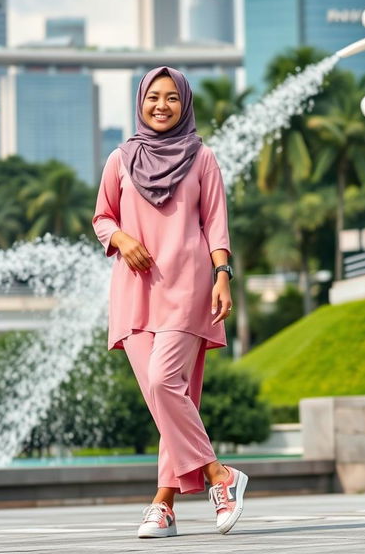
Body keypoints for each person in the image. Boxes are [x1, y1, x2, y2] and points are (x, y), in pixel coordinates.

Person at [91, 66, 248, 539]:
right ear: (140, 102)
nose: (162, 105)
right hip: (134, 292)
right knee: (167, 401)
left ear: (185, 104)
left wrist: (223, 275)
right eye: (154, 97)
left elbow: (215, 224)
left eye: (172, 98)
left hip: (187, 285)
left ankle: (217, 478)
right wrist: (119, 236)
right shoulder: (119, 160)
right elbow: (101, 217)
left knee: (164, 384)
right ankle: (166, 505)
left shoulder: (202, 158)